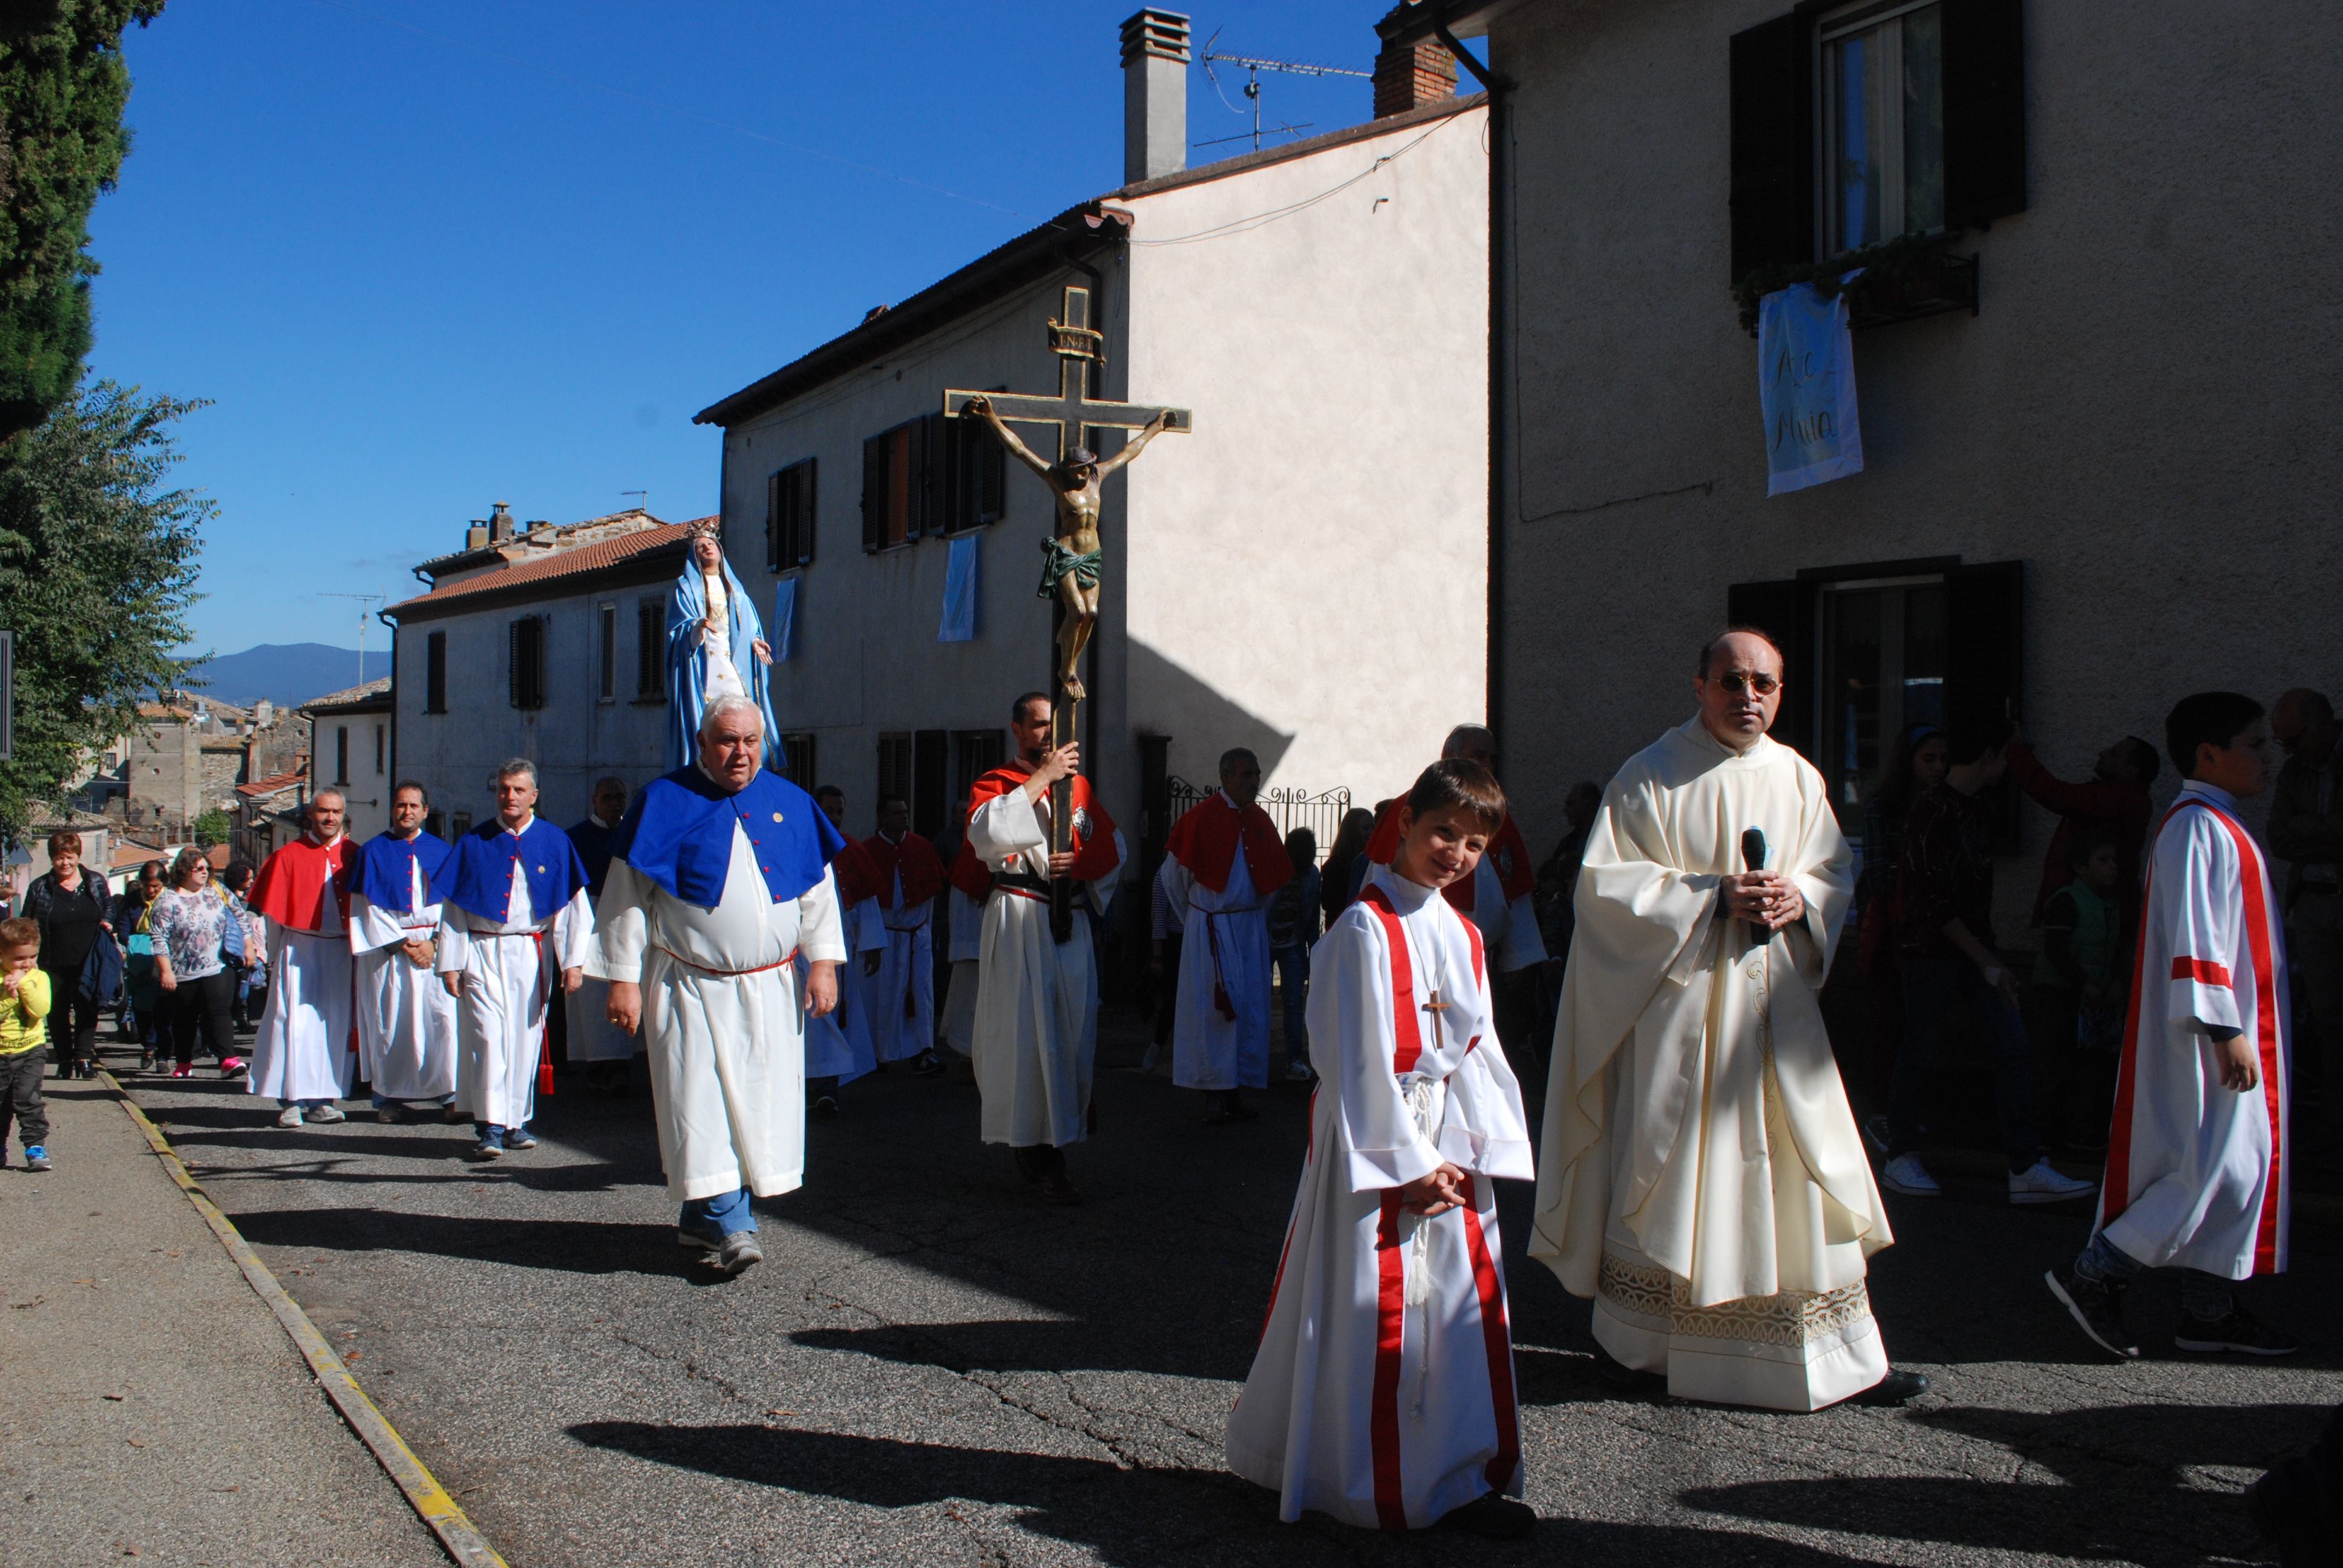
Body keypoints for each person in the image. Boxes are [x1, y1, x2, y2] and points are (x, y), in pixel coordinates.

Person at [1530, 629, 1927, 1411]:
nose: (1749, 697)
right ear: (1700, 685)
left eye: (1765, 684)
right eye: (1732, 681)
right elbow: (1604, 893)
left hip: (1777, 1016)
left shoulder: (1801, 779)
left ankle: (1834, 1357)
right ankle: (1640, 1348)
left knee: (1799, 1165)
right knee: (1672, 1172)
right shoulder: (1648, 780)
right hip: (1679, 1016)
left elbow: (1830, 874)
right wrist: (1711, 895)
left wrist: (1800, 901)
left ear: (1781, 692)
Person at [1226, 759, 1535, 1540]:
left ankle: (1458, 1473)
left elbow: (1478, 1051)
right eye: (1442, 833)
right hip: (1377, 1146)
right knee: (1370, 1307)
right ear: (1405, 825)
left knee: (1458, 1315)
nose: (1455, 853)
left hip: (1447, 1145)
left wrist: (1464, 1156)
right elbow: (1355, 1059)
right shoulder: (1363, 929)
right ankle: (1356, 1476)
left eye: (1473, 843)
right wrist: (1408, 1167)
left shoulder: (1462, 932)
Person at [2047, 691, 2298, 1360]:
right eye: (2254, 744)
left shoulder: (2221, 822)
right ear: (2208, 754)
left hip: (2231, 1027)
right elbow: (2196, 935)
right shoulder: (2193, 826)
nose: (2267, 756)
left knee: (2237, 1166)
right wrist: (2223, 1028)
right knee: (2207, 1165)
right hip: (2205, 1037)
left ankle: (2206, 1310)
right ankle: (2095, 1272)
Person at [589, 696, 848, 1276]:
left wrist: (824, 962)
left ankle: (700, 1218)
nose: (741, 752)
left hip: (771, 988)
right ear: (703, 744)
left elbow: (817, 892)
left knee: (758, 1105)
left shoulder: (789, 802)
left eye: (751, 740)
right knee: (699, 1103)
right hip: (689, 985)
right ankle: (734, 1223)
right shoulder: (664, 801)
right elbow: (625, 901)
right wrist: (623, 982)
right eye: (728, 741)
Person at [1882, 715, 2099, 1205]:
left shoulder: (1977, 809)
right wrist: (1987, 960)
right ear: (1989, 757)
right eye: (2006, 757)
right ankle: (1901, 1153)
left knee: (2011, 1045)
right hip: (1932, 953)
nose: (2009, 768)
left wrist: (1987, 957)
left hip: (1976, 948)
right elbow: (1932, 901)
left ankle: (2025, 1163)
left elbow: (1972, 893)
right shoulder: (1931, 810)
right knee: (1923, 1046)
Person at [966, 691, 1124, 1204]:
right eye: (1037, 727)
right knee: (1024, 1039)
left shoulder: (1078, 789)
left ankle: (1056, 1138)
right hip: (1020, 921)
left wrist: (1080, 868)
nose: (1046, 738)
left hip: (1069, 925)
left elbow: (1111, 848)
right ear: (1016, 730)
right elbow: (985, 836)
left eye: (1053, 729)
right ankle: (1033, 1149)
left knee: (1068, 1033)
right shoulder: (998, 784)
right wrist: (1041, 780)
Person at [436, 760, 594, 1161]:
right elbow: (454, 909)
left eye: (519, 790)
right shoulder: (474, 842)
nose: (510, 797)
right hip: (483, 952)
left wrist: (572, 962)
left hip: (530, 953)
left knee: (524, 1040)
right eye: (504, 789)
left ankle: (516, 1123)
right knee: (488, 1039)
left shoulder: (555, 842)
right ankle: (489, 1125)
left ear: (534, 796)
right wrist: (451, 962)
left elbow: (571, 908)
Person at [1162, 748, 1291, 1122]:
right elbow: (1173, 879)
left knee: (1249, 1008)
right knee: (1215, 1012)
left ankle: (1236, 1090)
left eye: (1257, 774)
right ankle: (1212, 1095)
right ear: (1226, 777)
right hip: (1210, 929)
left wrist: (1251, 919)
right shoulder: (1199, 819)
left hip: (1249, 929)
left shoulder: (1260, 821)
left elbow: (1272, 883)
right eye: (1247, 775)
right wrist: (1199, 920)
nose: (1254, 782)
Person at [1854, 725, 1948, 1145]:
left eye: (1944, 759)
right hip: (1891, 929)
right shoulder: (1883, 807)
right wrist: (1918, 886)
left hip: (1933, 931)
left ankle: (1906, 1111)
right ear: (1908, 762)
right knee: (1888, 1020)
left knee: (1922, 1025)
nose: (1938, 768)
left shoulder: (1946, 806)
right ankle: (1881, 1114)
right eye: (1929, 759)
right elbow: (1876, 875)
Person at [245, 791, 360, 1126]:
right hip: (299, 948)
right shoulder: (288, 856)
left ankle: (324, 1099)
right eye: (324, 811)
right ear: (311, 814)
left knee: (333, 1025)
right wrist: (274, 955)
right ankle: (291, 1100)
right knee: (293, 1023)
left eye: (336, 812)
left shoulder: (355, 854)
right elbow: (273, 917)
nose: (330, 818)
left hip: (341, 949)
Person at [349, 782, 458, 1122]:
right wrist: (402, 945)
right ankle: (387, 1097)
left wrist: (435, 943)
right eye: (400, 805)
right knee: (391, 1023)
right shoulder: (373, 852)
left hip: (433, 950)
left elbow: (455, 906)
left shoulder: (443, 852)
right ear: (391, 810)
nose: (407, 812)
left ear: (426, 811)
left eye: (414, 806)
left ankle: (450, 1092)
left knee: (442, 1022)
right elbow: (365, 907)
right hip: (390, 955)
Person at [2267, 688, 2342, 1157]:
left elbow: (2298, 831)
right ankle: (2335, 1132)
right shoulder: (2296, 771)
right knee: (2329, 1023)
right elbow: (2278, 837)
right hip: (2313, 905)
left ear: (2321, 727)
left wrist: (2308, 828)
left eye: (2292, 740)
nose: (2286, 752)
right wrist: (2327, 831)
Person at [2024, 830, 2126, 1157]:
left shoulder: (2112, 906)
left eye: (2115, 861)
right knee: (2053, 1065)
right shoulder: (2066, 900)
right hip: (2058, 996)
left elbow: (2116, 950)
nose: (2112, 867)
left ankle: (2078, 1132)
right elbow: (2058, 950)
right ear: (2081, 867)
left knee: (2090, 1067)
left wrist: (2113, 983)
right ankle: (2041, 1135)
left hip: (2094, 1000)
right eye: (2103, 860)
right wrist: (2085, 982)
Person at [2005, 730, 2158, 923]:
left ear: (2131, 771)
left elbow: (2055, 794)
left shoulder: (2118, 800)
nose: (2102, 754)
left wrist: (2016, 751)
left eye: (2114, 754)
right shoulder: (2126, 798)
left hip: (2088, 915)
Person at [665, 524, 779, 773]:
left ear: (720, 550)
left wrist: (755, 641)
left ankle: (748, 758)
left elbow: (748, 626)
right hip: (705, 658)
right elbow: (677, 628)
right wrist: (696, 628)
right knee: (709, 712)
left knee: (741, 707)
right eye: (701, 547)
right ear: (694, 556)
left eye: (711, 545)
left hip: (734, 660)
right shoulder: (685, 588)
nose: (707, 548)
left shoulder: (735, 589)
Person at [805, 784, 883, 1116]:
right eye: (829, 810)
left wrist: (872, 945)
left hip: (837, 949)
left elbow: (866, 900)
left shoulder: (850, 848)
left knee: (830, 1016)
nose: (835, 817)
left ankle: (827, 1087)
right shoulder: (802, 844)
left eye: (840, 811)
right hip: (796, 951)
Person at [863, 794, 945, 1077]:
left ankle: (923, 1051)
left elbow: (931, 893)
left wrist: (926, 931)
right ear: (882, 818)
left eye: (905, 812)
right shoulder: (869, 851)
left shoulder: (922, 847)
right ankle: (879, 1054)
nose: (903, 817)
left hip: (916, 934)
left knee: (921, 993)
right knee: (884, 996)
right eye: (896, 813)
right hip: (884, 936)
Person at [22, 830, 113, 1081]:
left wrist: (107, 922)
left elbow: (109, 907)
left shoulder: (94, 881)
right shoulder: (40, 887)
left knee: (87, 1009)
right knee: (57, 1012)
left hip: (89, 960)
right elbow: (28, 923)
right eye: (60, 858)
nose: (65, 863)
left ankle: (84, 1057)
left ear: (77, 856)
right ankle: (64, 1059)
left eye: (70, 857)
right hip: (53, 961)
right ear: (53, 859)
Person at [566, 776, 637, 1095]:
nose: (614, 804)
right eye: (607, 798)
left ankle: (628, 1063)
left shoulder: (634, 833)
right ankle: (601, 1064)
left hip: (628, 919)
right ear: (594, 801)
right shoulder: (577, 838)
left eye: (619, 797)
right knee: (593, 996)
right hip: (590, 921)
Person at [151, 849, 238, 1079]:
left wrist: (248, 945)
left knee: (219, 1011)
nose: (205, 872)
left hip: (216, 964)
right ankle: (183, 1062)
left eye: (206, 868)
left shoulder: (215, 890)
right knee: (185, 1018)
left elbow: (238, 914)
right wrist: (166, 971)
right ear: (184, 870)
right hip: (182, 969)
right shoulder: (168, 899)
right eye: (199, 869)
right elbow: (159, 937)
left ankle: (227, 1059)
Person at [1263, 826, 1320, 1083]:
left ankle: (1294, 1060)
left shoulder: (1312, 875)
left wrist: (1312, 951)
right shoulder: (1275, 871)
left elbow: (1311, 916)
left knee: (1294, 1004)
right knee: (1259, 1002)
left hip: (1293, 945)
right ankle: (1256, 1058)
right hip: (1265, 944)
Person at [0, 918, 54, 1171]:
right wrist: (10, 996)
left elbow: (40, 1010)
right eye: (19, 958)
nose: (27, 963)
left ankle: (35, 1146)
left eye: (32, 956)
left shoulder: (38, 977)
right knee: (2, 1104)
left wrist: (22, 983)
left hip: (31, 1049)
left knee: (26, 1098)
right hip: (2, 1053)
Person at [940, 811, 992, 1068]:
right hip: (975, 946)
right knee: (970, 1005)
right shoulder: (972, 860)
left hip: (981, 945)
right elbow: (963, 907)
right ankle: (968, 1063)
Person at [120, 860, 167, 1072]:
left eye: (156, 886)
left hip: (165, 962)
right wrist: (133, 941)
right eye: (147, 885)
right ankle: (148, 1046)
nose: (151, 890)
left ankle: (162, 1055)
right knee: (143, 1009)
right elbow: (122, 928)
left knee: (163, 1009)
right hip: (139, 962)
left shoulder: (169, 900)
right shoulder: (132, 900)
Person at [1142, 854, 1182, 1073]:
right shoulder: (1164, 877)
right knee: (1172, 1002)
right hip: (1173, 944)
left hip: (1188, 940)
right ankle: (1157, 1045)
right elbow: (1158, 919)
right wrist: (1158, 956)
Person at [220, 861, 261, 1042]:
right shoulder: (226, 898)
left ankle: (242, 1018)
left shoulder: (250, 898)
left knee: (243, 984)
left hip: (245, 947)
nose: (251, 882)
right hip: (230, 948)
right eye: (248, 878)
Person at [1319, 807, 1374, 930]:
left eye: (1372, 827)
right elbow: (1328, 903)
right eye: (1365, 828)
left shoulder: (1372, 861)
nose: (1371, 832)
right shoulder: (1336, 864)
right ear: (1353, 831)